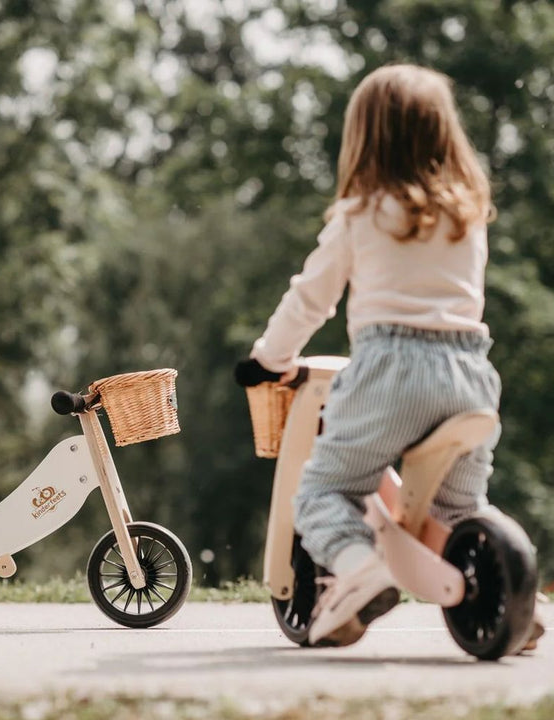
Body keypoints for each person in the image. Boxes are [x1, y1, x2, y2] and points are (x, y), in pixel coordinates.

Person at [240, 63, 520, 647]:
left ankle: (360, 567)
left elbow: (310, 296)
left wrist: (270, 357)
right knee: (459, 508)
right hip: (470, 374)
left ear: (365, 136)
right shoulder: (467, 215)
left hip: (390, 372)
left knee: (323, 492)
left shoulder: (360, 213)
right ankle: (509, 592)